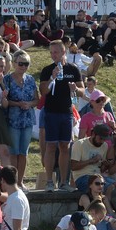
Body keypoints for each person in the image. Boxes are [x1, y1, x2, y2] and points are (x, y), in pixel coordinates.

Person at [40, 40, 85, 192]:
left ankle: (64, 182)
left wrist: (76, 89)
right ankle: (49, 181)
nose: (53, 55)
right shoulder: (47, 70)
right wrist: (52, 78)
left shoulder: (73, 69)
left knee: (65, 146)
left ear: (63, 52)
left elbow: (83, 91)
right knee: (51, 146)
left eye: (56, 52)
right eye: (51, 52)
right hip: (51, 112)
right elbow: (43, 91)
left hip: (67, 112)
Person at [5, 52, 39, 186]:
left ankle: (21, 181)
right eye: (20, 63)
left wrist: (29, 104)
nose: (23, 66)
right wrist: (18, 104)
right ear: (13, 63)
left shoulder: (30, 79)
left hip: (27, 120)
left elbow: (37, 99)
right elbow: (4, 100)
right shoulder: (7, 79)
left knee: (23, 153)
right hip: (13, 120)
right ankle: (13, 182)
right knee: (13, 152)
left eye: (26, 64)